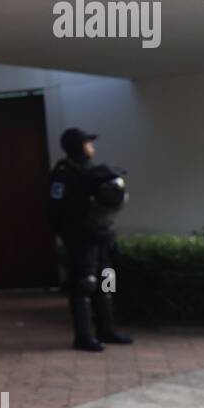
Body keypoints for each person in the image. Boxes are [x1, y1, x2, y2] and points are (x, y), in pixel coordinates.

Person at [48, 128, 133, 352]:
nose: (92, 147)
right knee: (85, 283)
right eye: (88, 143)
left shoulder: (95, 171)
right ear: (78, 146)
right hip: (81, 237)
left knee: (107, 280)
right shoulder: (64, 173)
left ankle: (107, 329)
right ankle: (84, 336)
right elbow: (56, 208)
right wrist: (70, 232)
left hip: (101, 234)